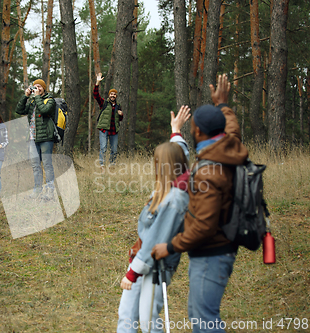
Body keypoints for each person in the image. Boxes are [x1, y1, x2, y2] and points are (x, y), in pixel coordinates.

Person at [151, 74, 249, 333]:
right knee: (200, 313)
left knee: (204, 319)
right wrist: (223, 107)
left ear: (197, 131)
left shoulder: (207, 171)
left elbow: (203, 226)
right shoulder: (229, 148)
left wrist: (169, 247)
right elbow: (232, 130)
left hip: (211, 252)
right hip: (224, 243)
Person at [117, 106, 191, 333]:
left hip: (155, 265)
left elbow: (155, 238)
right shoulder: (177, 180)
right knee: (127, 314)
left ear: (165, 165)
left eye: (157, 162)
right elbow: (179, 153)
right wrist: (176, 131)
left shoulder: (175, 198)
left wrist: (133, 272)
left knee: (148, 319)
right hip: (144, 261)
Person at [15, 79, 57, 200]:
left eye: (39, 86)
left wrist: (37, 97)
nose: (37, 88)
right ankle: (37, 190)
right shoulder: (33, 100)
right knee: (35, 166)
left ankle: (50, 191)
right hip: (32, 137)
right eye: (35, 86)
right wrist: (25, 96)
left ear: (44, 88)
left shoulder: (50, 99)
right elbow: (19, 110)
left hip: (46, 137)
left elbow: (44, 110)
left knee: (47, 165)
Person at [94, 73, 123, 173]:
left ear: (116, 96)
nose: (113, 95)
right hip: (103, 129)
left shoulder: (118, 105)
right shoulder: (104, 103)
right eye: (111, 94)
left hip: (114, 130)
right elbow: (96, 95)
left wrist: (121, 114)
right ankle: (102, 166)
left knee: (114, 150)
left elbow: (120, 119)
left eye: (114, 94)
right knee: (103, 148)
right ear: (109, 95)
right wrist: (97, 83)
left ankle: (112, 166)